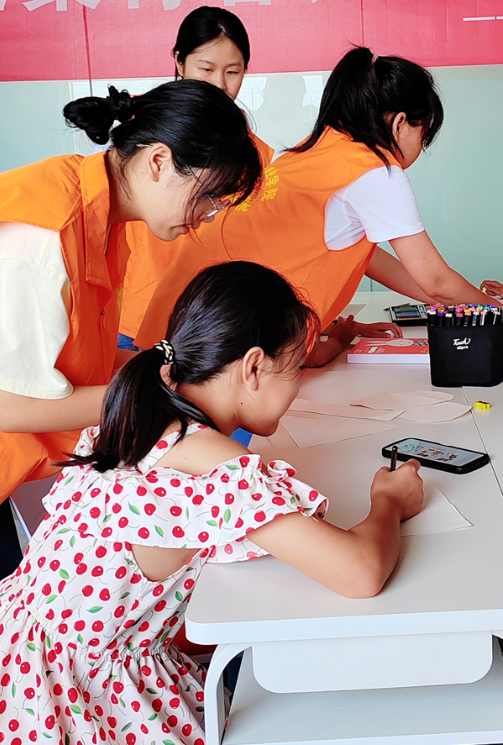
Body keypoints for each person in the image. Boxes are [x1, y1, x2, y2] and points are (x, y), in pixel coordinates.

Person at [0, 261, 424, 745]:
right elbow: (360, 572)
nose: (296, 385)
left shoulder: (139, 415)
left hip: (21, 653)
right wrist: (389, 501)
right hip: (77, 697)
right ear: (253, 367)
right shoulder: (214, 468)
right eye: (295, 370)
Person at [0, 79, 261, 574]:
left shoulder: (102, 218)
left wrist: (169, 366)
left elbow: (80, 352)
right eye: (209, 197)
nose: (208, 217)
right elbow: (8, 405)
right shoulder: (44, 236)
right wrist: (160, 390)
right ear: (159, 161)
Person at [133, 46, 497, 365]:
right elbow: (435, 280)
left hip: (175, 325)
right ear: (400, 124)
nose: (420, 149)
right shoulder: (375, 170)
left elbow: (363, 253)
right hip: (214, 345)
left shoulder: (313, 150)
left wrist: (455, 303)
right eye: (423, 136)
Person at [118, 6, 276, 352]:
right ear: (179, 61)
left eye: (233, 71)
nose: (220, 83)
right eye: (206, 69)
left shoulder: (255, 152)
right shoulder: (140, 126)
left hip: (209, 322)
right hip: (137, 314)